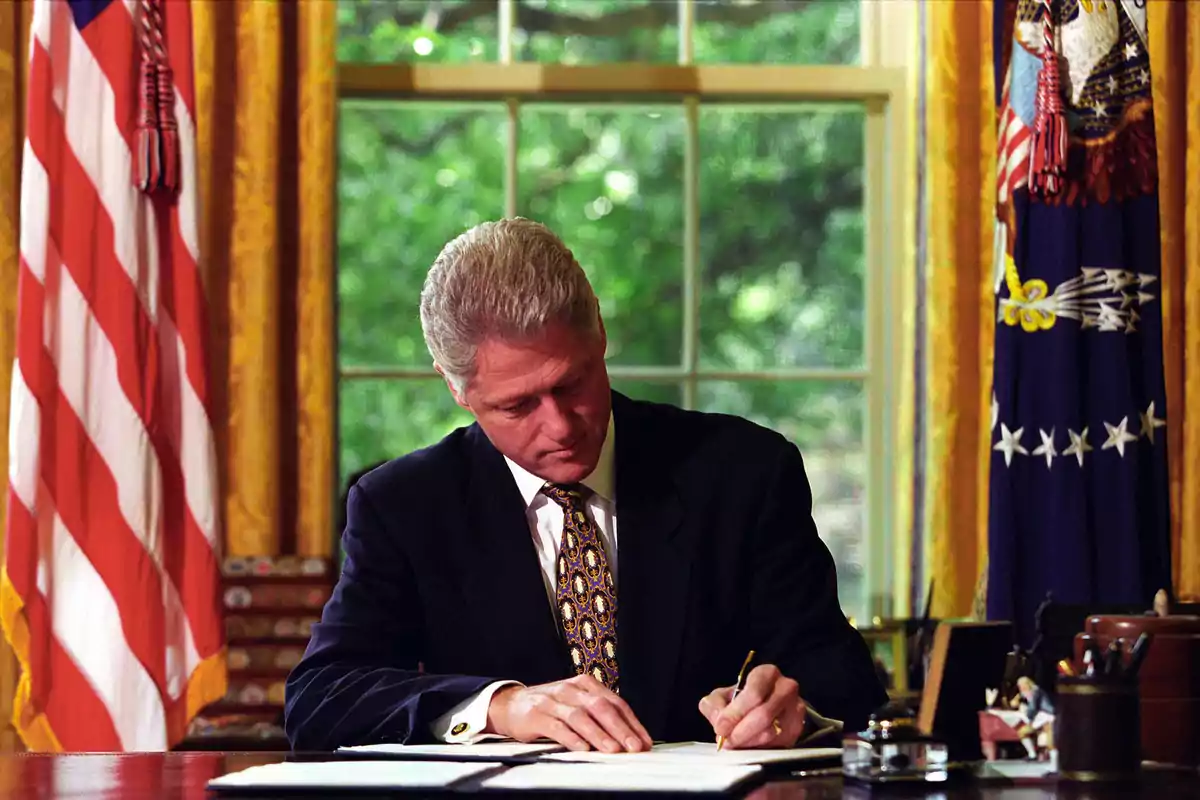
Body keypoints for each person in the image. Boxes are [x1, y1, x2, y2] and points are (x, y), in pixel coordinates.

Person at [284, 218, 887, 753]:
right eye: (518, 406)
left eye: (572, 384)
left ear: (598, 330)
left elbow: (844, 680)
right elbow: (320, 698)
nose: (562, 426)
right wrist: (502, 706)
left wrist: (795, 710)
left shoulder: (744, 471)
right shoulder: (404, 506)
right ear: (455, 388)